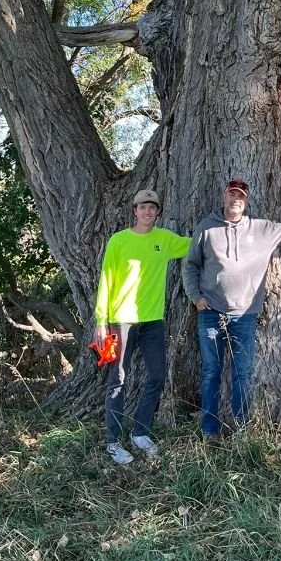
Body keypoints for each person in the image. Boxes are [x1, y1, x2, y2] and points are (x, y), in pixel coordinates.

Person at [182, 178, 281, 441]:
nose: (235, 200)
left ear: (246, 202)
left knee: (242, 373)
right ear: (224, 197)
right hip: (211, 312)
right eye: (231, 195)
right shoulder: (206, 228)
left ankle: (241, 431)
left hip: (244, 315)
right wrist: (196, 297)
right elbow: (190, 265)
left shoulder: (262, 230)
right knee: (212, 371)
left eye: (240, 197)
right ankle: (209, 430)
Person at [93, 188, 191, 465]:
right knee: (118, 379)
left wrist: (225, 229)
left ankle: (140, 432)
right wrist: (101, 321)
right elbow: (106, 281)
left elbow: (196, 244)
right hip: (121, 319)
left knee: (157, 375)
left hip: (152, 321)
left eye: (152, 208)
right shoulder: (119, 241)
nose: (147, 212)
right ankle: (112, 442)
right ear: (134, 211)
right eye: (142, 207)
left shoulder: (165, 240)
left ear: (157, 212)